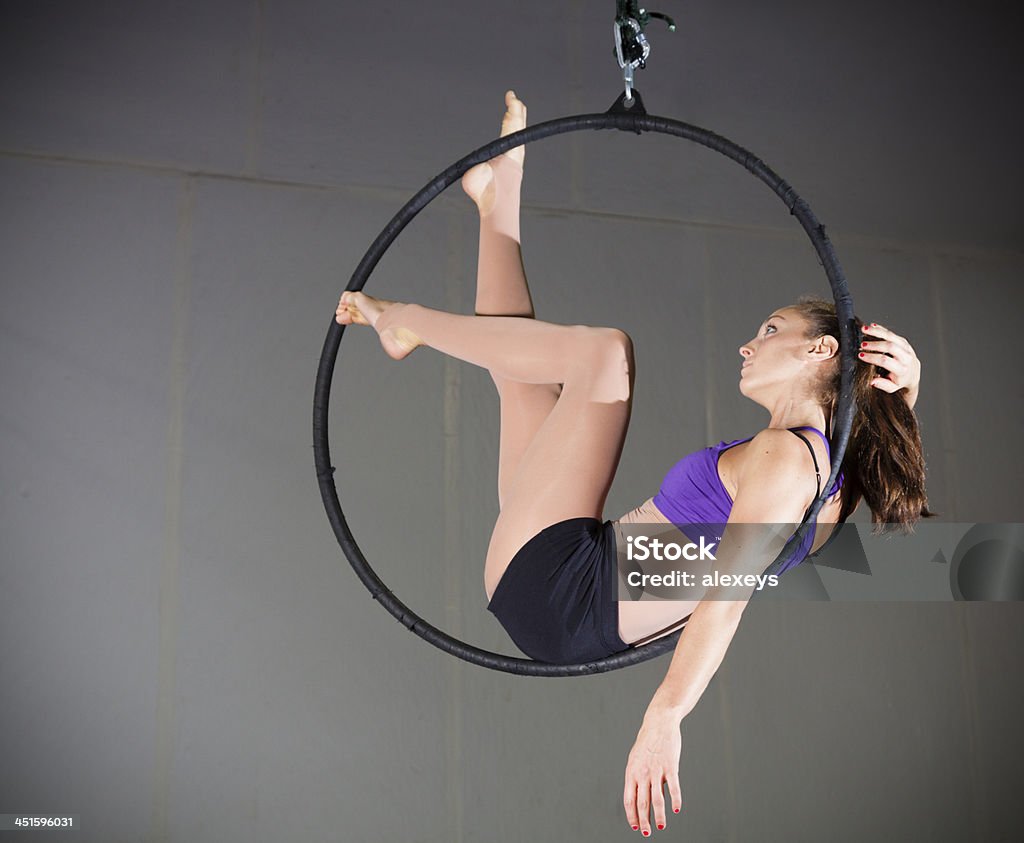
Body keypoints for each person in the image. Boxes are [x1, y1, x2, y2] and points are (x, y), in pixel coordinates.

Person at [335, 91, 929, 836]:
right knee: (524, 377)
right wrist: (908, 389)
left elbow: (725, 597)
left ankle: (404, 323)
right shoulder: (826, 474)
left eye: (770, 329)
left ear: (820, 350)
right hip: (564, 580)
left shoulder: (786, 461)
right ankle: (498, 201)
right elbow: (868, 447)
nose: (748, 343)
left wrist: (664, 715)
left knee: (606, 356)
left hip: (564, 589)